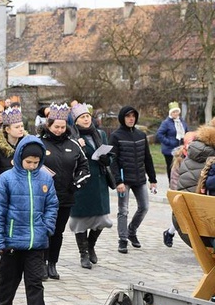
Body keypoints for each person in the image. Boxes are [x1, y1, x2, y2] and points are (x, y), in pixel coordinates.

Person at [0, 136, 58, 305]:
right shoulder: (6, 179)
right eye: (28, 162)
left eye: (36, 163)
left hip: (36, 242)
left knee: (35, 283)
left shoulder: (45, 179)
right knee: (8, 280)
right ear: (19, 158)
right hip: (12, 241)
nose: (32, 166)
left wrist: (46, 227)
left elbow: (52, 205)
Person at [38, 103, 90, 279]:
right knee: (45, 229)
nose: (59, 130)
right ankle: (41, 263)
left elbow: (84, 167)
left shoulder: (73, 144)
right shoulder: (39, 143)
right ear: (48, 125)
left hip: (65, 196)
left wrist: (76, 184)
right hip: (43, 196)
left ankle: (53, 263)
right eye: (56, 127)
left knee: (58, 232)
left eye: (62, 127)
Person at [68, 103, 114, 269]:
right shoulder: (72, 136)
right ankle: (83, 254)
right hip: (82, 182)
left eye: (87, 116)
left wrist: (105, 159)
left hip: (99, 181)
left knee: (101, 219)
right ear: (76, 121)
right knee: (80, 220)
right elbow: (69, 158)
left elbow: (109, 157)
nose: (86, 119)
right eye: (82, 117)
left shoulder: (100, 134)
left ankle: (91, 245)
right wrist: (76, 146)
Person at [110, 106, 157, 253]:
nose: (131, 119)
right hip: (124, 180)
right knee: (123, 210)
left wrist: (153, 179)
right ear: (122, 118)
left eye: (133, 116)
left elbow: (147, 158)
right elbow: (113, 160)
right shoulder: (116, 136)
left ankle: (132, 231)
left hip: (140, 178)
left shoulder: (141, 135)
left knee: (144, 207)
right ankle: (122, 239)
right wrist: (118, 181)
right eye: (128, 116)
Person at [0, 107, 25, 186]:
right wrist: (5, 183)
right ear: (7, 130)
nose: (21, 129)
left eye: (22, 126)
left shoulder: (26, 146)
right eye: (17, 127)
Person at [156, 101, 188, 181]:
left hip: (180, 148)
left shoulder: (181, 122)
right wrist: (169, 142)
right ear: (170, 113)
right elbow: (159, 134)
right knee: (171, 167)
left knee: (180, 167)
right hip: (169, 150)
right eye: (174, 112)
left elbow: (186, 131)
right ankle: (171, 183)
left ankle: (178, 182)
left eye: (177, 111)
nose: (175, 113)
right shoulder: (166, 123)